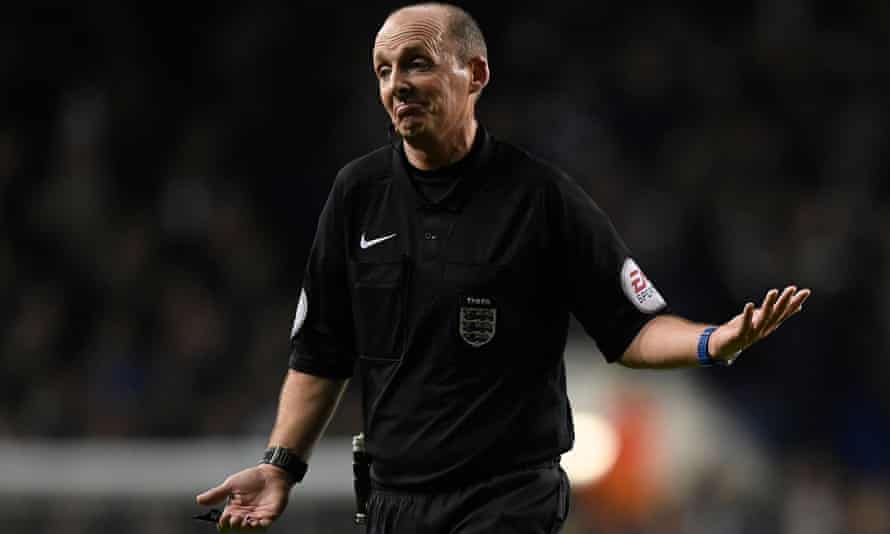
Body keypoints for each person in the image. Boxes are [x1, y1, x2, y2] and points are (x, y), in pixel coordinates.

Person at [196, 3, 811, 532]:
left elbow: (630, 328)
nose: (396, 85)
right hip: (393, 503)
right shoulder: (357, 195)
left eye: (416, 62)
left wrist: (714, 341)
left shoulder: (540, 199)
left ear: (476, 74)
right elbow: (321, 353)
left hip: (508, 499)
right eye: (383, 71)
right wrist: (281, 466)